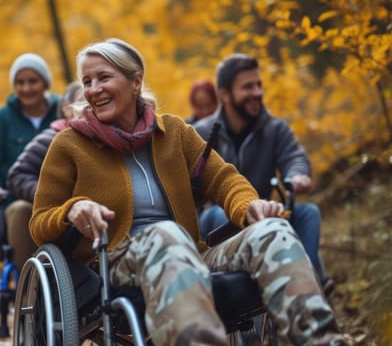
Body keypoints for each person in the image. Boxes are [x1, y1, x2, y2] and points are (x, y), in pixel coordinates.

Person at [30, 38, 346, 345]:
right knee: (166, 233)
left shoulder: (174, 133)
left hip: (192, 253)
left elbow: (223, 178)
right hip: (116, 262)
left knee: (273, 230)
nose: (93, 90)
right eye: (87, 81)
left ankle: (321, 340)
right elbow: (39, 222)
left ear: (135, 82)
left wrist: (249, 206)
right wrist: (72, 209)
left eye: (103, 77)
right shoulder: (69, 145)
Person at [193, 53, 331, 291]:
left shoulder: (275, 129)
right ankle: (238, 287)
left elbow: (295, 157)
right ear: (224, 94)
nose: (257, 92)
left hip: (265, 213)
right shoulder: (202, 132)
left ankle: (309, 283)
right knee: (218, 214)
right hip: (216, 220)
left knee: (308, 213)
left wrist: (297, 175)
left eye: (258, 85)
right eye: (248, 87)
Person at [0, 53, 59, 254]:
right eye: (20, 82)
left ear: (45, 84)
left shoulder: (62, 111)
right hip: (16, 198)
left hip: (59, 197)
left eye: (33, 81)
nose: (26, 88)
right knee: (22, 211)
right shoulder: (3, 118)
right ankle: (27, 280)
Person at [5, 81, 82, 269]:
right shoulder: (49, 139)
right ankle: (27, 281)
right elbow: (16, 176)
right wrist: (50, 195)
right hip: (52, 212)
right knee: (21, 210)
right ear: (66, 108)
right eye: (82, 102)